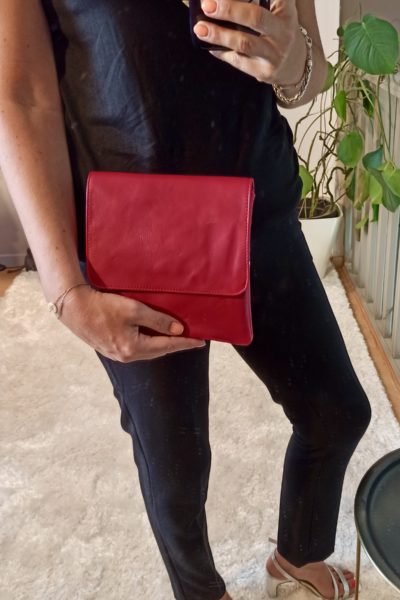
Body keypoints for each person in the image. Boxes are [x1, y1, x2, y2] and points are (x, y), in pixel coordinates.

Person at [0, 1, 371, 599]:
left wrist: (291, 63)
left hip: (257, 209)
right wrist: (65, 291)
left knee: (338, 411)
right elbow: (20, 94)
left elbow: (310, 72)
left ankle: (295, 559)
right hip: (132, 241)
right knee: (175, 465)